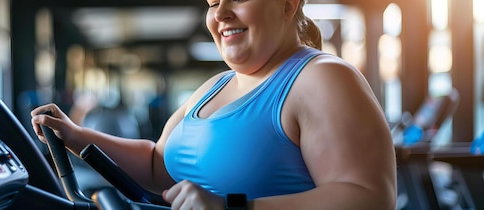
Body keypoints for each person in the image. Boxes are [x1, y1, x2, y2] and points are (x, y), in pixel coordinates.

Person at [31, 0, 397, 209]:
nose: (220, 13)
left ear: (288, 4)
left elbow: (369, 198)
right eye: (212, 1)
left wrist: (234, 208)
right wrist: (75, 136)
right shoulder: (215, 86)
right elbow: (158, 166)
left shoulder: (322, 78)